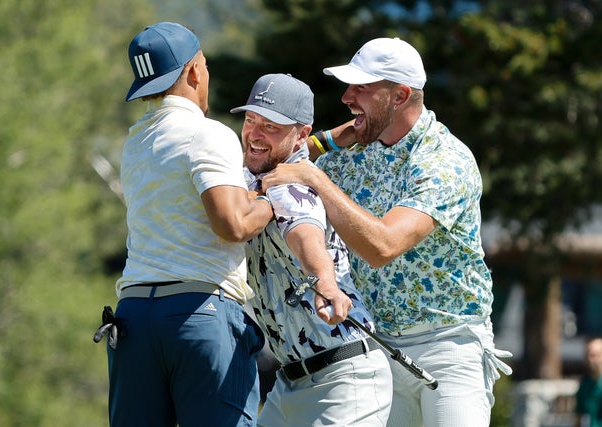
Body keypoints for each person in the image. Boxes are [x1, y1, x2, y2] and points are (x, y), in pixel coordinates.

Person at [262, 37, 513, 427]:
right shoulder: (349, 152)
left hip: (449, 347)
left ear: (400, 95)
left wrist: (318, 179)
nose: (347, 97)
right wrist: (325, 141)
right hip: (375, 349)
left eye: (361, 88)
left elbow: (384, 246)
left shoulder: (445, 160)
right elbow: (277, 164)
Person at [107, 22, 273, 427]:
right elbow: (232, 224)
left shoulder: (135, 144)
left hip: (133, 318)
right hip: (199, 312)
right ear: (195, 71)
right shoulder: (207, 133)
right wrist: (274, 198)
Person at [231, 73, 393, 426]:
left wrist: (325, 284)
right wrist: (340, 134)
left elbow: (305, 233)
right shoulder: (252, 174)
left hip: (344, 380)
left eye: (271, 126)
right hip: (289, 383)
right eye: (250, 120)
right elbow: (316, 142)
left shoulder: (292, 185)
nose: (255, 134)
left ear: (299, 134)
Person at [574, 337, 602, 427]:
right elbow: (579, 416)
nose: (590, 360)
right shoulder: (584, 385)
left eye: (594, 355)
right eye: (588, 355)